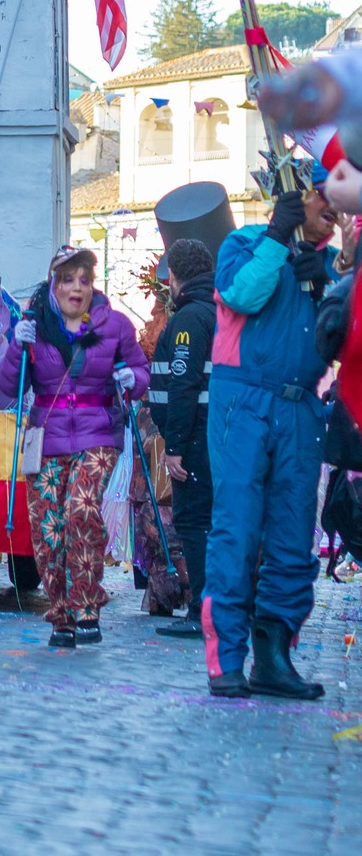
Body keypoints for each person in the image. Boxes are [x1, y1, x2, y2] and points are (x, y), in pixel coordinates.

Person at [204, 178, 342, 699]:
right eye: (321, 193)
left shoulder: (335, 268)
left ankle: (274, 656)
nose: (333, 205)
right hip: (244, 400)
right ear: (293, 194)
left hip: (301, 407)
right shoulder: (242, 244)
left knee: (291, 535)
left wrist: (331, 287)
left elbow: (344, 341)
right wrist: (278, 240)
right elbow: (241, 294)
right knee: (237, 529)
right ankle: (227, 660)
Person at [0, 245, 147, 648]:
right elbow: (8, 387)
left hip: (98, 435)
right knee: (49, 529)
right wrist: (17, 346)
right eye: (67, 279)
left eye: (84, 279)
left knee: (80, 508)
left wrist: (133, 379)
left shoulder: (115, 325)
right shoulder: (33, 326)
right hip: (45, 438)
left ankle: (86, 608)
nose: (76, 287)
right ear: (53, 285)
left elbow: (141, 370)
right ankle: (60, 615)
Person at [155, 238, 218, 639]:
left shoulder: (191, 319)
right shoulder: (218, 311)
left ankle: (202, 610)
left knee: (193, 523)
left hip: (195, 439)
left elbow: (183, 382)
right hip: (213, 435)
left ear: (175, 277)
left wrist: (175, 446)